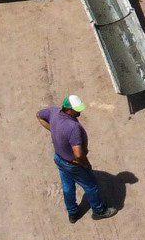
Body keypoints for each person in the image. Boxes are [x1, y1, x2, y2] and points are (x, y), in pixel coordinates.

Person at [38, 94, 108, 222]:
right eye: (77, 109)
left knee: (68, 187)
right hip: (74, 164)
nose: (79, 111)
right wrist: (85, 164)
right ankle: (99, 210)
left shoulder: (53, 112)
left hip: (59, 159)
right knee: (91, 186)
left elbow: (39, 115)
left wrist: (52, 129)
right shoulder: (73, 127)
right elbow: (79, 154)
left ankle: (73, 213)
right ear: (69, 110)